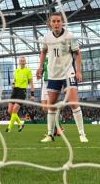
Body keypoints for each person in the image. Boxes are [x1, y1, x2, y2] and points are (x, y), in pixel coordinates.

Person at [36, 13, 87, 143]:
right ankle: (49, 134)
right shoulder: (46, 37)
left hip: (68, 73)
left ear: (62, 22)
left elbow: (78, 54)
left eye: (58, 21)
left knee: (74, 103)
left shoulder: (70, 36)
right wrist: (40, 68)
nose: (56, 23)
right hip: (53, 75)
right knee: (51, 105)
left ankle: (82, 134)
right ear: (50, 23)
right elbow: (43, 52)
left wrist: (79, 71)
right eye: (54, 21)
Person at [6, 57, 33, 132]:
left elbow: (31, 83)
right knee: (10, 111)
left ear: (25, 62)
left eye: (23, 61)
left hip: (22, 91)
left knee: (14, 110)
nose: (22, 62)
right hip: (15, 90)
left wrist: (32, 94)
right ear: (19, 62)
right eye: (21, 61)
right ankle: (20, 124)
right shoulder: (16, 71)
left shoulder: (28, 71)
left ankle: (9, 128)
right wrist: (13, 84)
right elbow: (14, 81)